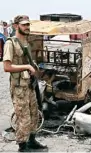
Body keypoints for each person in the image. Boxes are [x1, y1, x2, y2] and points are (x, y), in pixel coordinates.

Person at [3, 15, 48, 152]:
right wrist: (27, 67)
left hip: (29, 85)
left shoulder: (26, 42)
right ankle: (22, 146)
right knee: (24, 117)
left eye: (28, 24)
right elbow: (7, 67)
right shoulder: (10, 43)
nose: (27, 27)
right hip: (18, 87)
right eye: (24, 25)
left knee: (34, 114)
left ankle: (32, 140)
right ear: (16, 26)